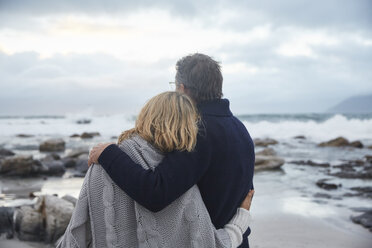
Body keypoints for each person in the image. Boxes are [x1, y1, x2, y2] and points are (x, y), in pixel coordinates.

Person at [89, 53, 255, 247]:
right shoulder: (239, 128)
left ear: (181, 89)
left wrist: (110, 154)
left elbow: (155, 193)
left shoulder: (198, 131)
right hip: (236, 239)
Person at [58, 92, 254, 247]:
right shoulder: (181, 187)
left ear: (146, 116)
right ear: (186, 126)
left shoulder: (101, 162)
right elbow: (215, 244)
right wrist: (241, 218)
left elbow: (76, 234)